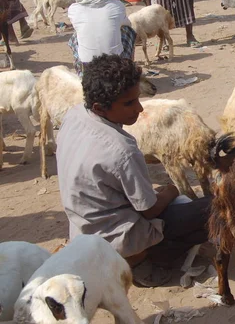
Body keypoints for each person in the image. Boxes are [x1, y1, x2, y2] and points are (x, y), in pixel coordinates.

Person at [56, 55, 212, 287]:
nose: (139, 108)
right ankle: (144, 262)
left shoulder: (75, 115)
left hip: (83, 229)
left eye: (138, 99)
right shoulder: (121, 149)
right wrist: (169, 191)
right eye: (129, 103)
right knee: (213, 209)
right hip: (115, 238)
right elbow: (149, 210)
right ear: (100, 107)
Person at [67, 0, 135, 78]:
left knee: (76, 36)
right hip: (115, 64)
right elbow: (128, 24)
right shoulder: (117, 6)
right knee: (128, 31)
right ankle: (128, 71)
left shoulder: (74, 10)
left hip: (88, 67)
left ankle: (81, 75)